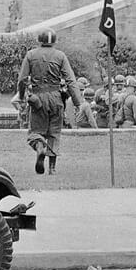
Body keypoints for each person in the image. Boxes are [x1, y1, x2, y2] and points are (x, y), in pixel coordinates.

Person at [16, 29, 84, 175]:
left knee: (35, 132)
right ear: (54, 41)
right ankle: (52, 169)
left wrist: (22, 97)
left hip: (37, 97)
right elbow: (71, 80)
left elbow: (22, 80)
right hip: (56, 97)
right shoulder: (60, 56)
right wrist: (78, 102)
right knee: (54, 132)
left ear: (39, 40)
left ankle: (40, 147)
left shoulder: (31, 55)